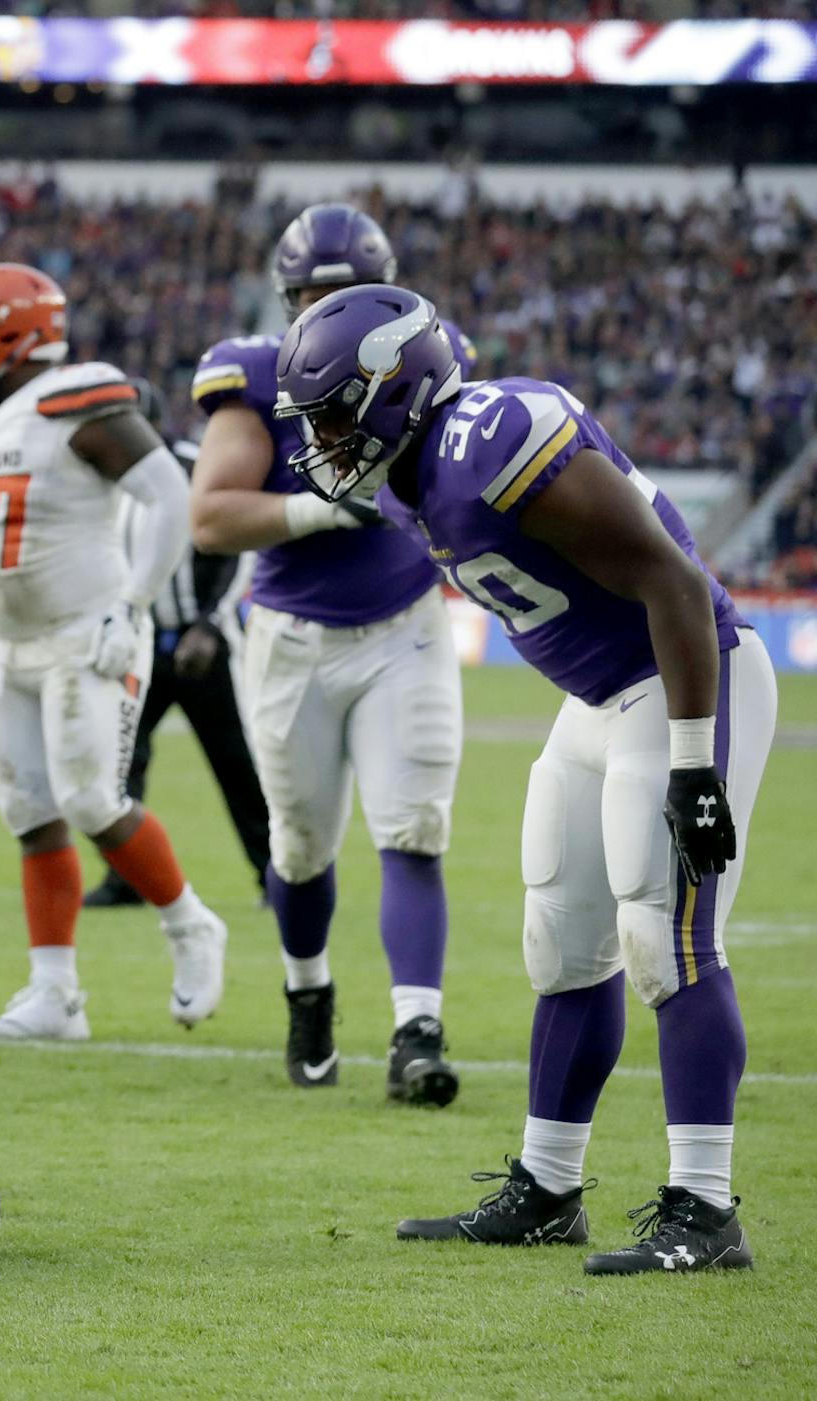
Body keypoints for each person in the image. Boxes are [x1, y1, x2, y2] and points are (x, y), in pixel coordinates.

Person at [275, 283, 774, 1274]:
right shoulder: (413, 475)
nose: (323, 436)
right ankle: (548, 1188)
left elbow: (673, 581)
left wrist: (692, 763)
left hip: (682, 679)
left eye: (335, 411)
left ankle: (707, 1210)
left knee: (667, 937)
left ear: (395, 389)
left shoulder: (491, 437)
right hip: (596, 698)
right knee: (562, 938)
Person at [187, 205, 474, 1103]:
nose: (331, 309)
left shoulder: (431, 352)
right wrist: (319, 508)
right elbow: (209, 515)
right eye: (314, 294)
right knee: (300, 844)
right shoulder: (260, 375)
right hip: (293, 639)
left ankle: (416, 1030)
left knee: (413, 829)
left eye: (346, 294)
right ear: (288, 297)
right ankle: (307, 993)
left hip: (405, 624)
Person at [0, 263, 228, 1042]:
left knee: (93, 798)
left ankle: (192, 927)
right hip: (7, 642)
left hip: (84, 633)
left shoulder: (77, 399)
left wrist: (132, 605)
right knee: (30, 812)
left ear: (14, 327)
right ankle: (54, 993)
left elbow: (169, 493)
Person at [85, 394, 270, 910]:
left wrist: (211, 623)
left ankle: (279, 878)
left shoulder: (193, 467)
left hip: (202, 648)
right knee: (119, 760)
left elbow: (239, 544)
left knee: (238, 764)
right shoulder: (104, 482)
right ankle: (126, 877)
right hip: (138, 643)